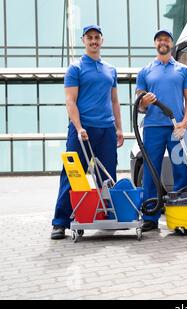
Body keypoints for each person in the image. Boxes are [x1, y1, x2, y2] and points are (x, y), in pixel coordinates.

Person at [51, 24, 124, 239]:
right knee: (73, 175)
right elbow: (70, 101)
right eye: (89, 37)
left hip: (106, 130)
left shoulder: (110, 69)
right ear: (84, 40)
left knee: (106, 175)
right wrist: (79, 126)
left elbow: (114, 101)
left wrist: (119, 128)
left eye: (97, 37)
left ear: (102, 40)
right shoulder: (75, 68)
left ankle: (105, 217)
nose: (93, 41)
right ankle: (60, 222)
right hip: (81, 131)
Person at [136, 29, 187, 232]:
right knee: (151, 172)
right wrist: (144, 101)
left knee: (181, 170)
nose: (163, 42)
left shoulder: (183, 70)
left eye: (167, 39)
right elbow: (140, 107)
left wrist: (185, 122)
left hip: (176, 129)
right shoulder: (145, 71)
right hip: (152, 128)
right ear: (155, 44)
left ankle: (182, 216)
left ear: (171, 44)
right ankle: (150, 217)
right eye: (160, 39)